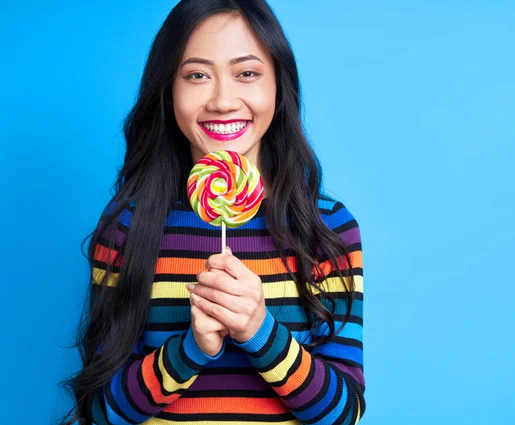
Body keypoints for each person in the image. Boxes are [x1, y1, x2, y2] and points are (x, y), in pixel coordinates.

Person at [58, 1, 365, 424]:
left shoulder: (327, 227)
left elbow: (343, 413)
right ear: (169, 89)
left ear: (280, 85)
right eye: (197, 75)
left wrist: (260, 332)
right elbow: (100, 412)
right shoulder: (128, 226)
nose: (222, 100)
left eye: (247, 73)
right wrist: (190, 350)